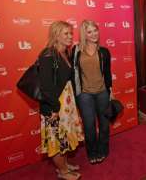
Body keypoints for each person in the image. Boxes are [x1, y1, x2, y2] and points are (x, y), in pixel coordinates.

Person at [39, 21, 84, 180]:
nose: (70, 36)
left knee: (64, 137)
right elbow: (46, 87)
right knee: (56, 140)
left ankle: (64, 165)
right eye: (66, 33)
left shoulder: (64, 53)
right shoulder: (47, 55)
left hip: (66, 104)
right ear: (56, 35)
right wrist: (53, 108)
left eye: (71, 33)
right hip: (54, 106)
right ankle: (63, 172)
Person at [72, 20, 113, 164]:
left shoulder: (104, 52)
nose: (94, 34)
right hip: (84, 95)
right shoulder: (76, 51)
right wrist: (75, 94)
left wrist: (110, 92)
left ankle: (103, 149)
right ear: (84, 34)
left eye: (95, 30)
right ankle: (92, 152)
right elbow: (73, 74)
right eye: (89, 32)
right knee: (89, 125)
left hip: (102, 92)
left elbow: (107, 74)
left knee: (104, 124)